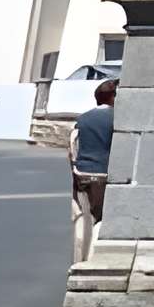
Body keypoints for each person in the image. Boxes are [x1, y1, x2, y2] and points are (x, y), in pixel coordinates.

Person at [69, 76, 117, 263]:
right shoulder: (117, 118)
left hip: (82, 173)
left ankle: (78, 259)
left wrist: (74, 175)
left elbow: (72, 147)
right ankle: (92, 260)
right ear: (112, 97)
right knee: (101, 218)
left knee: (84, 218)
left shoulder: (82, 119)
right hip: (103, 174)